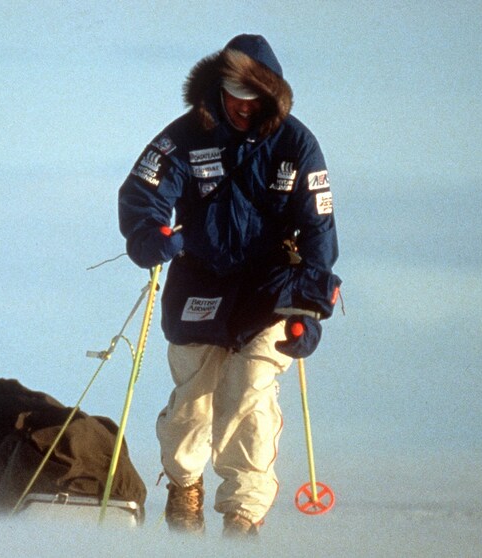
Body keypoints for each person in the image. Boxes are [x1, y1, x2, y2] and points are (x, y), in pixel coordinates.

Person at [117, 34, 341, 538]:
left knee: (249, 394)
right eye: (232, 95)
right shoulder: (183, 136)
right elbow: (143, 191)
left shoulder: (298, 145)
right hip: (199, 281)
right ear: (217, 90)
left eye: (252, 97)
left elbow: (319, 227)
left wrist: (308, 310)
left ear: (270, 96)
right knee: (193, 401)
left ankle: (242, 516)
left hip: (271, 291)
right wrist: (150, 237)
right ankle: (184, 487)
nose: (241, 107)